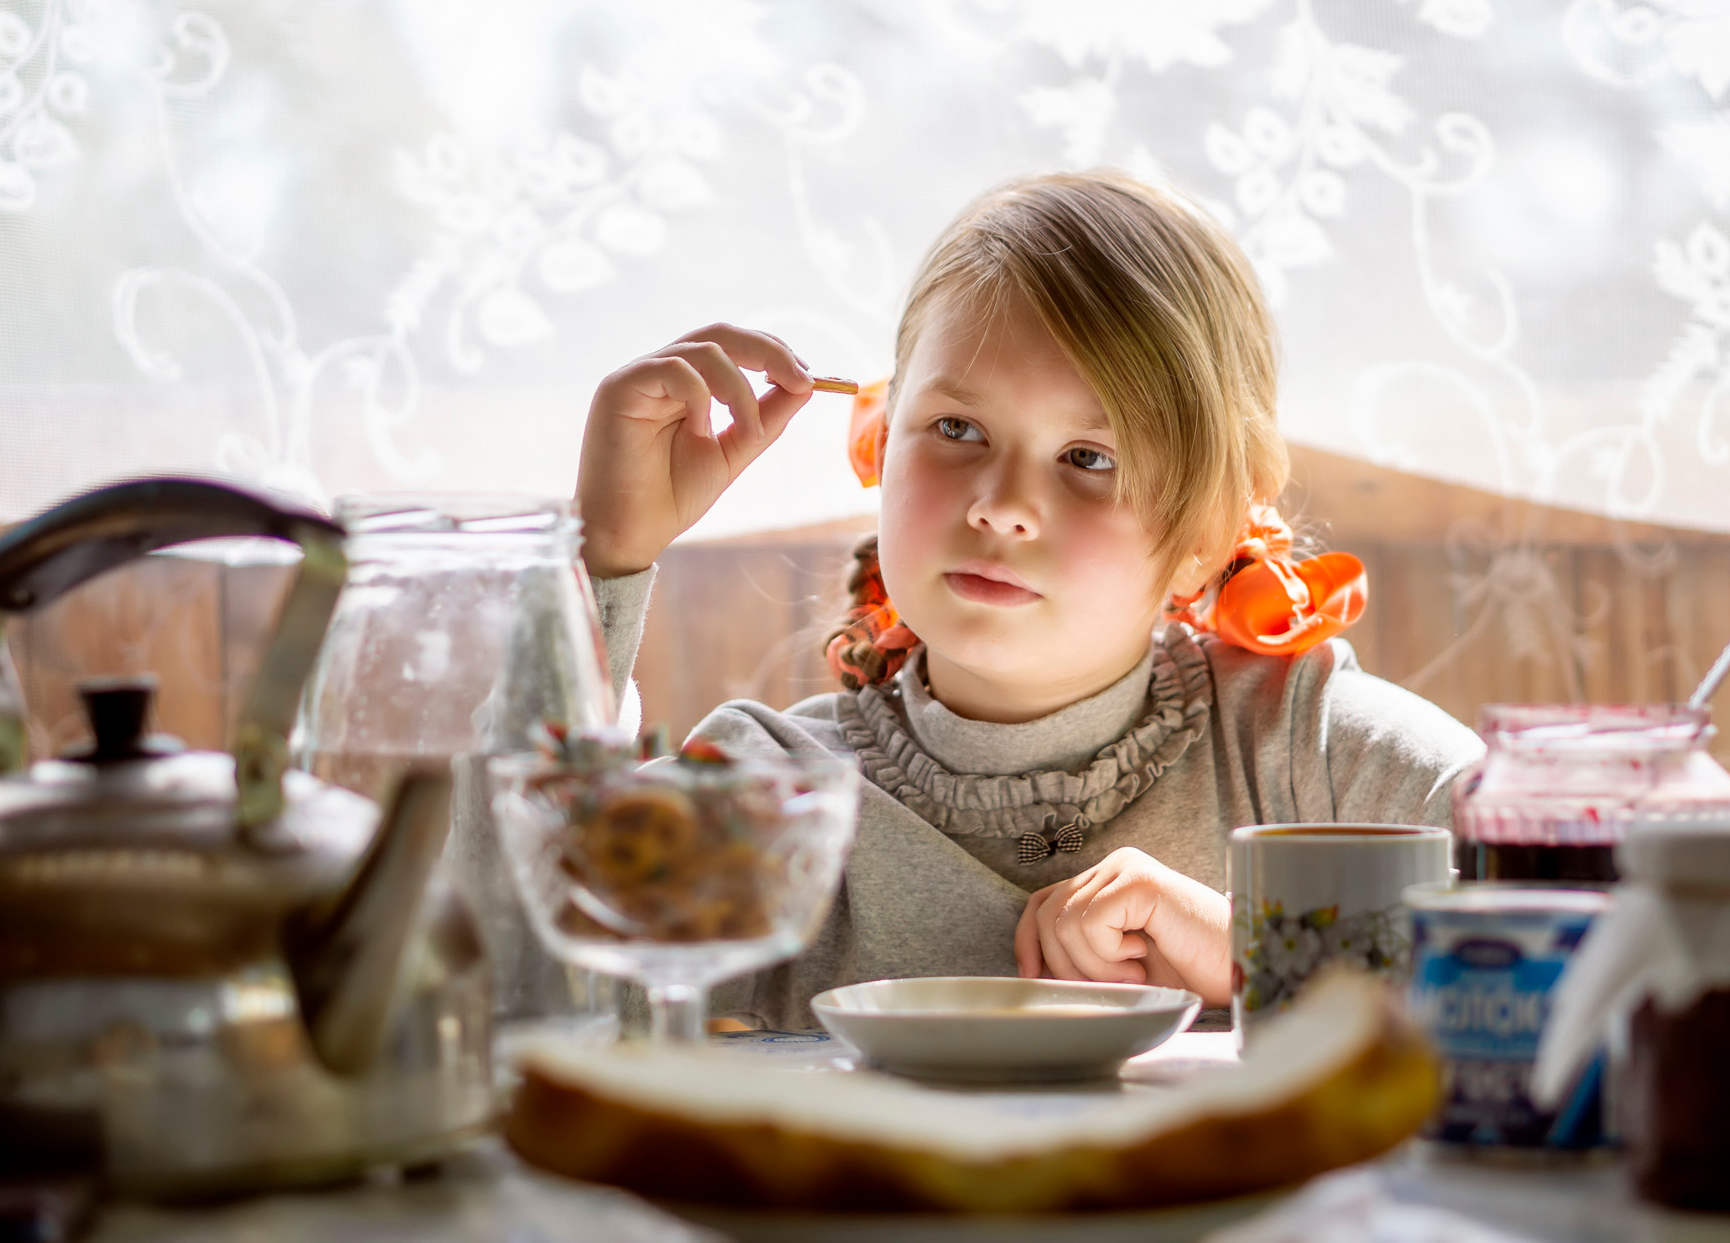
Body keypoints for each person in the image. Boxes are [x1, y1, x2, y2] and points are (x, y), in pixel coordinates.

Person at [574, 169, 1481, 1029]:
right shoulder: (762, 794)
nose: (1000, 506)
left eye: (1090, 458)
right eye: (957, 429)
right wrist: (603, 561)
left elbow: (1586, 959)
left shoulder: (1317, 755)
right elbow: (506, 970)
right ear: (883, 446)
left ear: (1206, 532)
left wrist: (1265, 951)